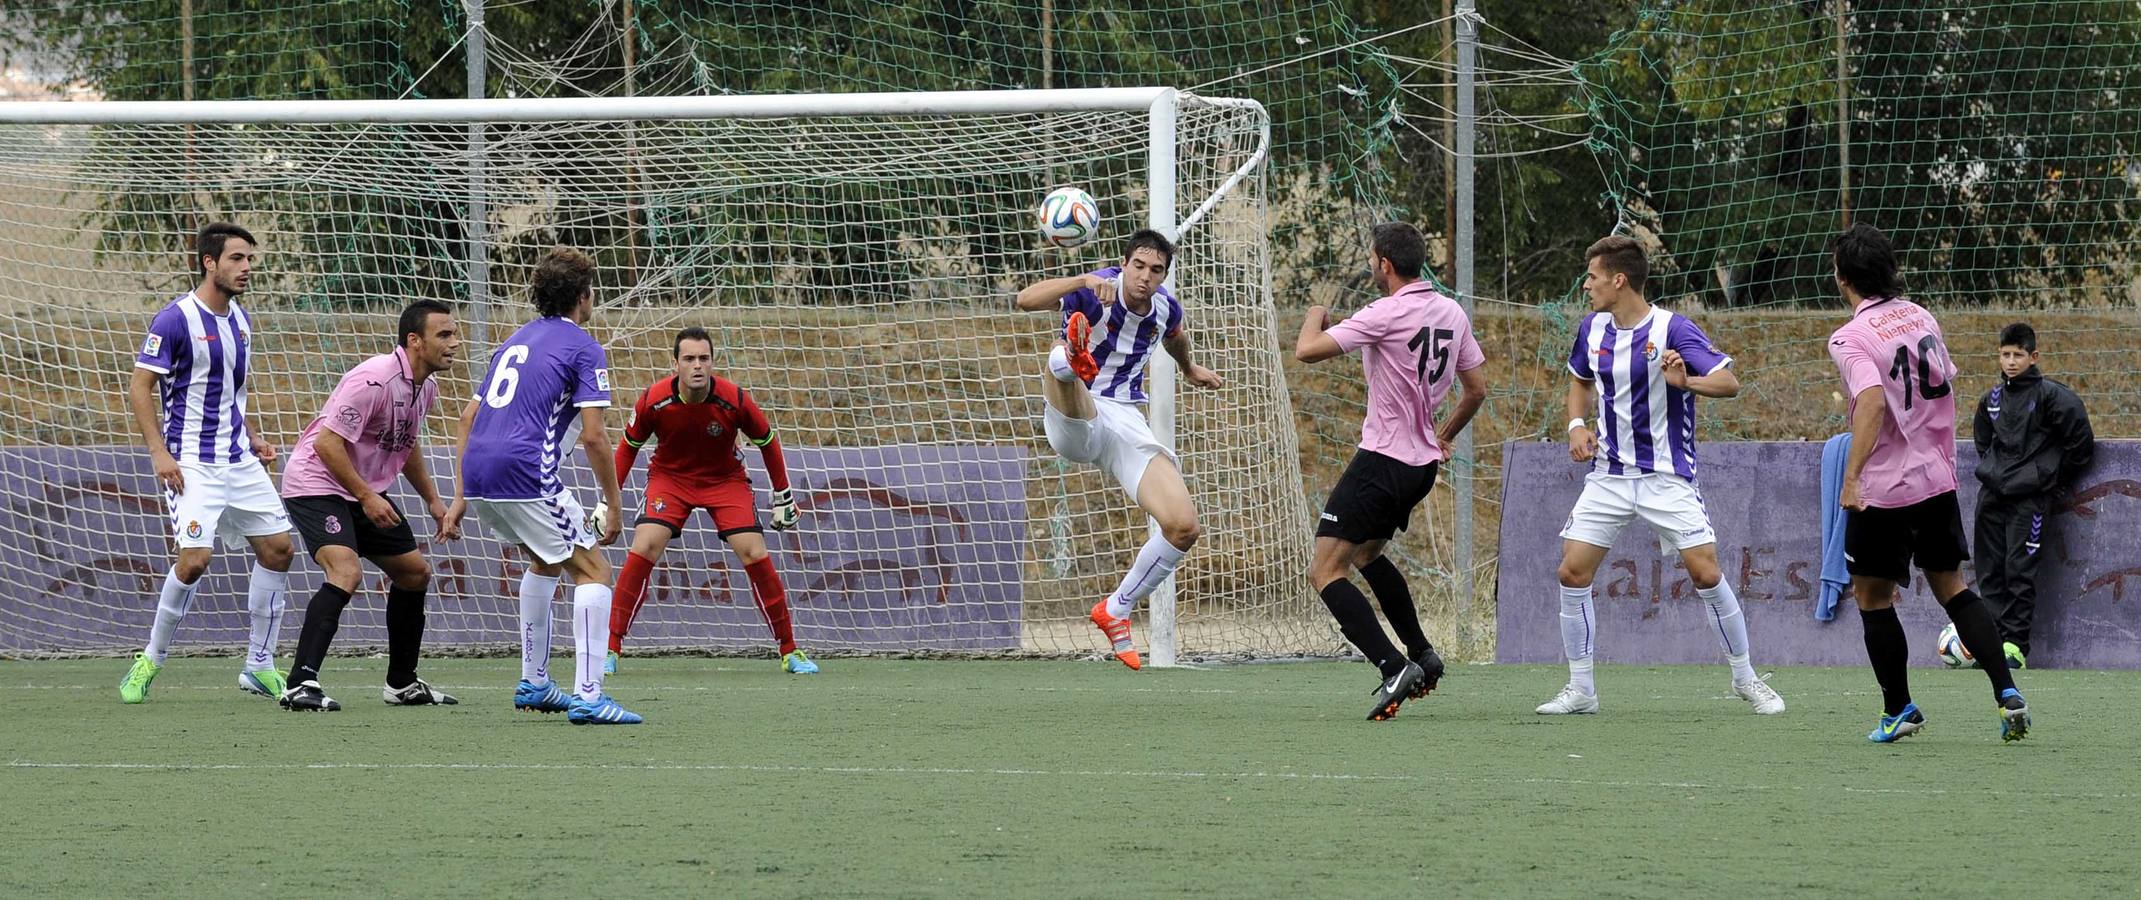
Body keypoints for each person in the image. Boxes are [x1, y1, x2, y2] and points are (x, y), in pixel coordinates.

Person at [1539, 235, 1784, 717]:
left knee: (1705, 571)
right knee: (1571, 571)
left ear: (1618, 279)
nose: (1586, 285)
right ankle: (1582, 688)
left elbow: (1729, 382)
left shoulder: (1673, 328)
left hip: (1667, 475)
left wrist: (1685, 381)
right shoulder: (1592, 328)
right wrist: (1575, 425)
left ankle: (1746, 679)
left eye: (1592, 277)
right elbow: (1579, 379)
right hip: (1608, 474)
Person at [1825, 223, 2027, 742]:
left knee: (1872, 598)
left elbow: (1871, 401)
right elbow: (1938, 385)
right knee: (1953, 588)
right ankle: (2006, 692)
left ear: (1844, 279)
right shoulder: (1920, 315)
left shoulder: (1849, 337)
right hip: (1937, 480)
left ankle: (1899, 709)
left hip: (1885, 490)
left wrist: (1852, 479)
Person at [1293, 222, 1487, 720]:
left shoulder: (1385, 312)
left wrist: (1315, 312)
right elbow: (1476, 391)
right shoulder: (1450, 311)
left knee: (1324, 569)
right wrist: (1442, 436)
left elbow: (1307, 350)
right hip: (1420, 466)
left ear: (1383, 263)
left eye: (1373, 259)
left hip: (1382, 460)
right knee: (1365, 554)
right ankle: (1421, 654)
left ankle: (1391, 665)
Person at [445, 246, 640, 725]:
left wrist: (459, 496)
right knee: (594, 571)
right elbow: (595, 437)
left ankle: (534, 682)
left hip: (479, 473)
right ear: (583, 295)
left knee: (546, 558)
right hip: (524, 471)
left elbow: (468, 417)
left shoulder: (512, 342)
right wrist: (613, 506)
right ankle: (591, 697)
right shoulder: (584, 347)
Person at [1013, 229, 1223, 670]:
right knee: (1064, 363)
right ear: (1123, 264)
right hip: (1077, 414)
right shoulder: (1096, 291)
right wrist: (1081, 282)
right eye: (1138, 266)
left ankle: (1117, 608)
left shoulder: (1165, 307)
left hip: (1126, 419)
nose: (1145, 277)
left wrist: (1189, 368)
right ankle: (1070, 359)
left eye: (1156, 270)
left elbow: (1174, 335)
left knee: (1183, 526)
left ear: (1164, 274)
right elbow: (1024, 300)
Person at [118, 222, 296, 704]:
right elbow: (140, 387)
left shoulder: (241, 320)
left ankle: (259, 665)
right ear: (209, 262)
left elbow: (231, 394)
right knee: (195, 561)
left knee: (279, 550)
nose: (246, 268)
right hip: (191, 463)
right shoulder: (174, 320)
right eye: (237, 259)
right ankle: (151, 659)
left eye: (250, 260)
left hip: (238, 460)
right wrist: (160, 453)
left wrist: (254, 438)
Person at [274, 300, 463, 711]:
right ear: (414, 341)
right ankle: (299, 683)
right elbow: (326, 444)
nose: (455, 343)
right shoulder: (373, 379)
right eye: (444, 335)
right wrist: (365, 496)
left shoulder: (425, 387)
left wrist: (432, 500)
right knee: (346, 570)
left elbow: (406, 443)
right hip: (316, 482)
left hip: (361, 489)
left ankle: (402, 684)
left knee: (414, 574)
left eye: (454, 334)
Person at [606, 326, 811, 674]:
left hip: (724, 480)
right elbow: (627, 448)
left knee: (754, 552)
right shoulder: (654, 400)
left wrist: (783, 495)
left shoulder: (735, 399)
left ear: (713, 363)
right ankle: (610, 648)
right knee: (645, 546)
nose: (697, 366)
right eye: (689, 359)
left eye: (704, 358)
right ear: (676, 365)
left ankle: (790, 651)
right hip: (670, 479)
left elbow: (768, 441)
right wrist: (607, 502)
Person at [1969, 321, 2094, 670]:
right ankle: (1992, 644)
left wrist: (2048, 477)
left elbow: (2080, 443)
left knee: (2018, 570)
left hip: (2031, 501)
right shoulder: (1991, 399)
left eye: (2018, 355)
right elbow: (1983, 442)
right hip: (1992, 496)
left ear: (2033, 356)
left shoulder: (2053, 396)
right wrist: (1996, 472)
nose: (2011, 361)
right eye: (2005, 355)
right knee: (1990, 570)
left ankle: (2014, 646)